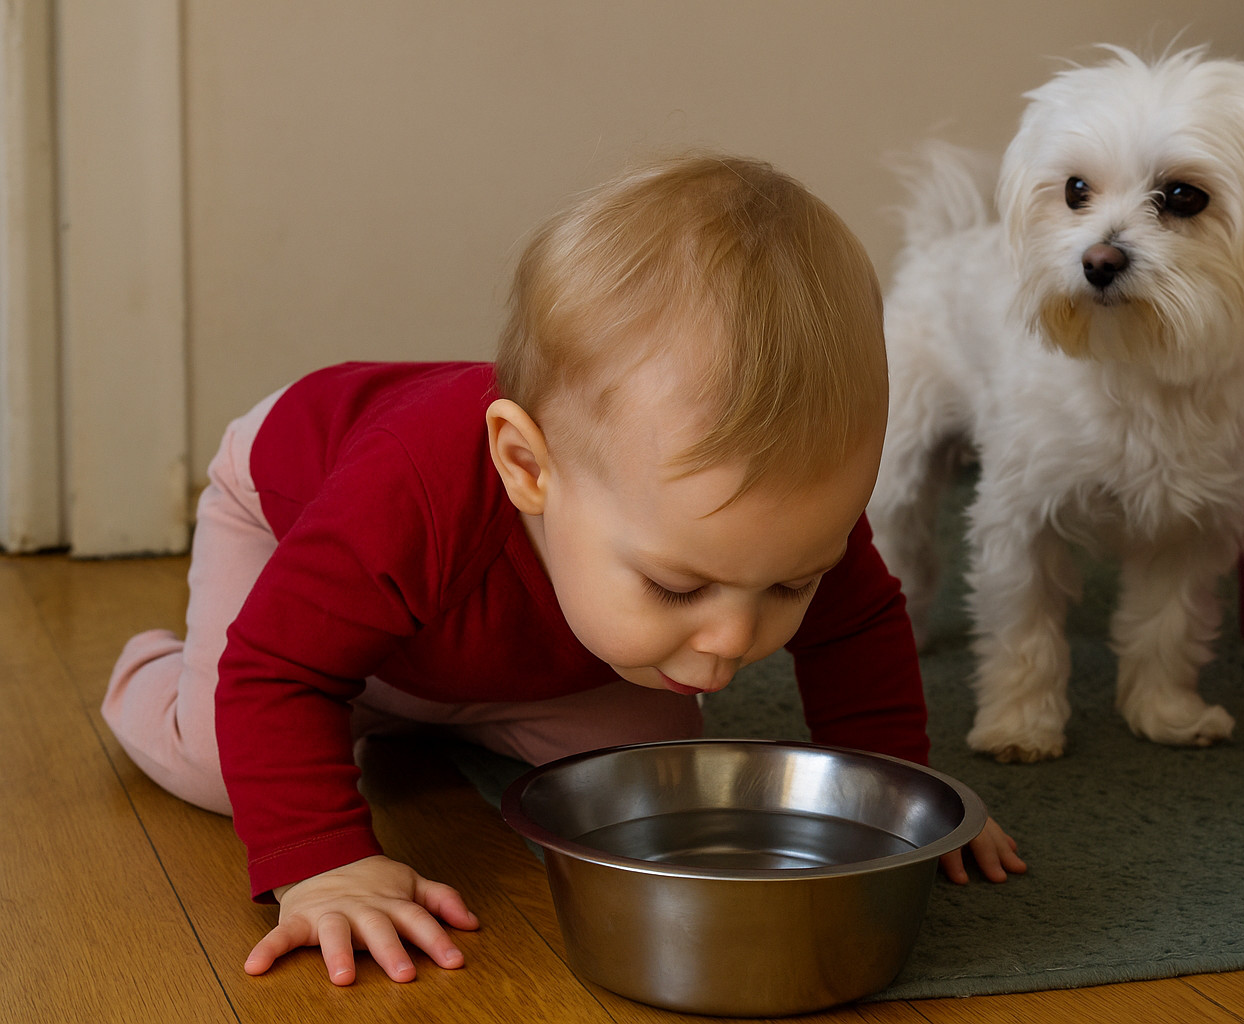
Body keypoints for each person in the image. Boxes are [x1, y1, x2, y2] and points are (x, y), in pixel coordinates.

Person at [102, 154, 1028, 988]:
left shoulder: (784, 515)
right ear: (528, 467)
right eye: (677, 587)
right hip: (292, 528)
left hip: (481, 633)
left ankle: (399, 702)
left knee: (651, 782)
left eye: (789, 586)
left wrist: (900, 799)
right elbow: (274, 668)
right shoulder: (407, 494)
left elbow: (859, 630)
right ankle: (160, 675)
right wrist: (326, 864)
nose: (734, 640)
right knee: (235, 760)